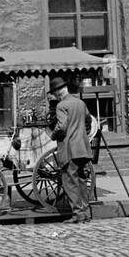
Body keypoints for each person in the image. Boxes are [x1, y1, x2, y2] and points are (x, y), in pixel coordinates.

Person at [50, 76, 94, 224]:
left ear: (58, 93)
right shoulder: (80, 103)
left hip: (69, 149)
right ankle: (85, 212)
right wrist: (83, 134)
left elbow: (62, 126)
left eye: (55, 94)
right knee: (81, 180)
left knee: (70, 182)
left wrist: (54, 135)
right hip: (83, 148)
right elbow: (88, 120)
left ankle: (77, 214)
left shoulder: (61, 106)